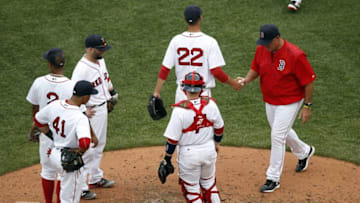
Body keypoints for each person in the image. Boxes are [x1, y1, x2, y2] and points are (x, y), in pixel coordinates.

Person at [239, 24, 316, 193]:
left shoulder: (295, 55)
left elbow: (308, 82)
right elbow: (255, 68)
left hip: (289, 101)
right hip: (270, 100)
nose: (265, 45)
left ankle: (273, 178)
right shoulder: (262, 49)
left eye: (268, 42)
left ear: (277, 38)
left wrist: (307, 106)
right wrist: (245, 80)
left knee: (277, 136)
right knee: (281, 131)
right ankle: (304, 151)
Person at [153, 5, 242, 103]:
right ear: (200, 19)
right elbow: (216, 71)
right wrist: (233, 83)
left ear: (185, 19)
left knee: (180, 118)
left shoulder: (176, 40)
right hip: (203, 95)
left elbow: (165, 69)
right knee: (203, 118)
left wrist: (157, 92)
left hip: (182, 95)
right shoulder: (210, 41)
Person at [159, 71, 224, 202]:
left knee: (192, 191)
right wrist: (216, 144)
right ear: (201, 89)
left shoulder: (179, 111)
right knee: (209, 185)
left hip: (189, 156)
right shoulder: (211, 104)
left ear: (184, 89)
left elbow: (172, 140)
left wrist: (167, 158)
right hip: (209, 151)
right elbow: (219, 128)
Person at [34, 80, 98, 203]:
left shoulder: (55, 105)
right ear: (85, 97)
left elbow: (38, 120)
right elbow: (85, 143)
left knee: (64, 188)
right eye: (90, 95)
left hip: (54, 155)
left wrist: (51, 135)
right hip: (68, 160)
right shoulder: (80, 117)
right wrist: (78, 152)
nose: (90, 97)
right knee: (70, 199)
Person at [71, 34, 118, 198]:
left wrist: (112, 94)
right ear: (90, 49)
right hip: (91, 111)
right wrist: (83, 111)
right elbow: (73, 91)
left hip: (103, 108)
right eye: (100, 49)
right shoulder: (81, 68)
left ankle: (95, 177)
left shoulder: (100, 60)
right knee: (89, 148)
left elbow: (105, 78)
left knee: (99, 144)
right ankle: (82, 187)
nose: (103, 52)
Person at [26, 48, 75, 203]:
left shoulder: (38, 82)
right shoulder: (71, 85)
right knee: (62, 172)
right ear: (63, 64)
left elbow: (35, 108)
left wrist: (35, 127)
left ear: (49, 64)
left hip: (45, 132)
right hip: (64, 133)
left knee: (47, 170)